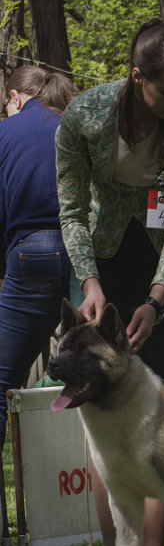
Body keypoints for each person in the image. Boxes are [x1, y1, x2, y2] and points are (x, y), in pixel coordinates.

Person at [56, 19, 164, 546]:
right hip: (101, 265)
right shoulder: (85, 116)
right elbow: (72, 212)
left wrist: (157, 297)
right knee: (102, 417)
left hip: (163, 275)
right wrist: (89, 282)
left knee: (162, 418)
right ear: (137, 77)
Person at [0, 65, 78, 454]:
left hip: (31, 253)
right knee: (95, 376)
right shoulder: (76, 126)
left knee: (3, 379)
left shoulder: (5, 133)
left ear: (15, 98)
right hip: (87, 261)